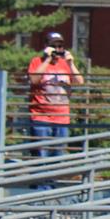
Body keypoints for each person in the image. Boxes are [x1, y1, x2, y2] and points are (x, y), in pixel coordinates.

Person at [25, 30, 84, 160]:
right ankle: (39, 180)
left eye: (60, 46)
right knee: (40, 156)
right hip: (41, 118)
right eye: (54, 46)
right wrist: (47, 60)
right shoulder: (37, 62)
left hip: (62, 118)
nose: (57, 49)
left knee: (58, 156)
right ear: (46, 47)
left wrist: (71, 63)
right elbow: (33, 80)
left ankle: (54, 181)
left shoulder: (65, 64)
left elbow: (79, 82)